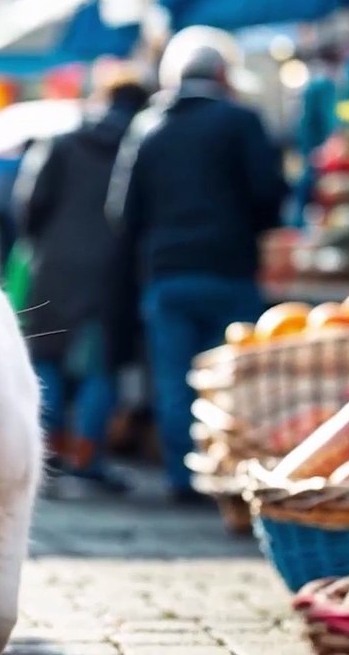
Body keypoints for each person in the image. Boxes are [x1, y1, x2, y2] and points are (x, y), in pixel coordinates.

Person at [106, 27, 288, 503]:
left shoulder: (148, 127)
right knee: (233, 382)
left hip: (167, 275)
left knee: (174, 380)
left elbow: (121, 213)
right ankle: (230, 477)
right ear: (224, 73)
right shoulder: (241, 121)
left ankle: (182, 478)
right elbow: (269, 195)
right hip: (229, 269)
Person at [16, 78, 151, 495]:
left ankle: (48, 458)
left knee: (49, 361)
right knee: (99, 368)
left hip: (55, 264)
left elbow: (29, 206)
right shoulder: (143, 145)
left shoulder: (61, 143)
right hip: (112, 271)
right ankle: (87, 461)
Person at [290, 45, 343, 228]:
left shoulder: (318, 84)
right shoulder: (323, 85)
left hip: (319, 156)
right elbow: (331, 123)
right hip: (322, 157)